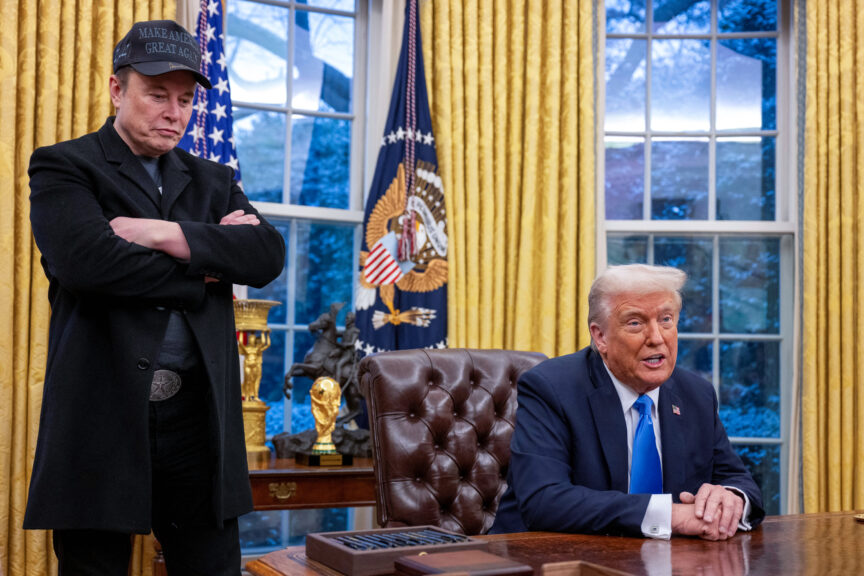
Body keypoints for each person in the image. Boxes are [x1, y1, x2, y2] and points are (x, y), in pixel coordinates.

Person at [24, 19, 285, 575]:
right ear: (118, 90)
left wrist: (162, 234)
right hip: (103, 416)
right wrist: (209, 266)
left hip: (201, 421)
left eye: (186, 100)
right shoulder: (65, 165)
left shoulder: (214, 179)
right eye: (158, 95)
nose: (175, 113)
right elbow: (88, 264)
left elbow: (265, 257)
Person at [491, 264, 764, 540]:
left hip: (666, 563)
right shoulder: (551, 388)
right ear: (600, 337)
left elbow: (741, 483)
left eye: (666, 319)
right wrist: (670, 515)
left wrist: (730, 500)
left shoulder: (696, 395)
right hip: (545, 559)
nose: (657, 338)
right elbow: (544, 501)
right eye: (635, 323)